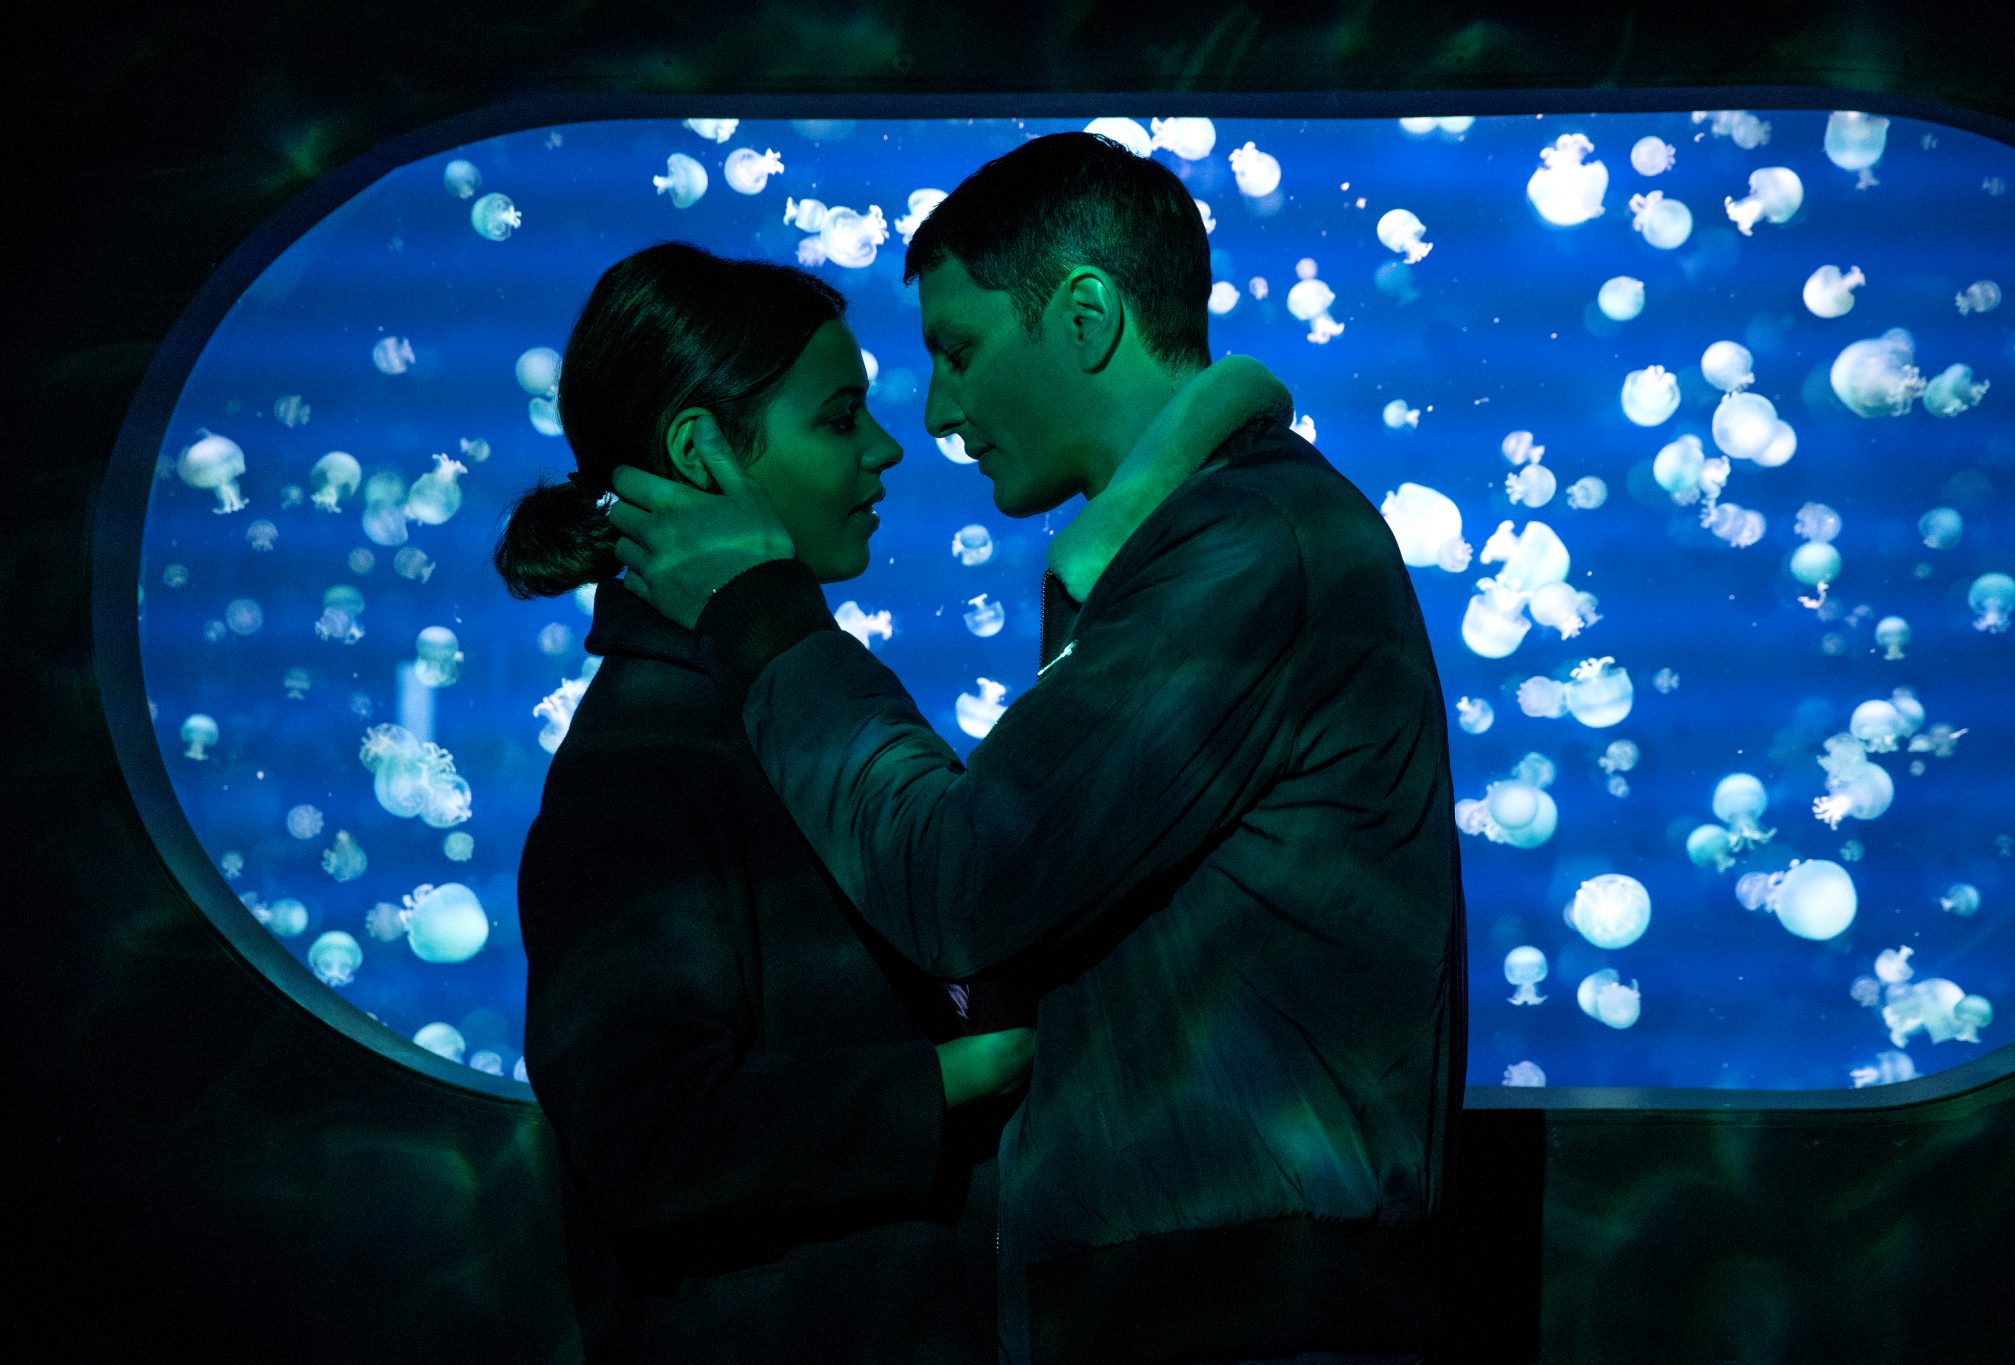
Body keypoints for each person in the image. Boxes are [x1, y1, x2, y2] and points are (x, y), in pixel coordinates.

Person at [607, 131, 1468, 1365]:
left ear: (1083, 317)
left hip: (1237, 1308)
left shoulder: (1242, 548)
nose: (936, 413)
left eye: (957, 351)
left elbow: (969, 884)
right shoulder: (1188, 549)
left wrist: (761, 614)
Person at [501, 239, 1294, 1364]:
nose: (886, 448)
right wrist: (957, 1076)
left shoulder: (775, 713)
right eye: (838, 419)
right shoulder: (642, 766)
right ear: (700, 453)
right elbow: (646, 1140)